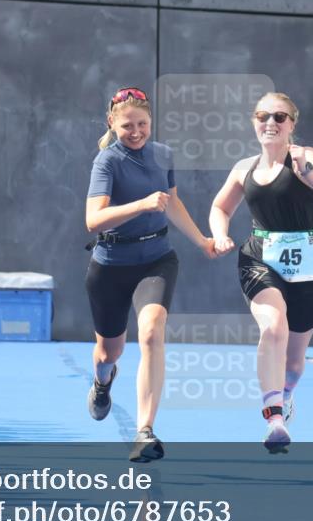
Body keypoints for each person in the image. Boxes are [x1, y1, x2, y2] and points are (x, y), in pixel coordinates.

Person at [85, 86, 216, 462]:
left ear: (151, 122)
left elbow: (171, 203)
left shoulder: (163, 155)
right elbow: (93, 220)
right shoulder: (107, 161)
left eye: (142, 124)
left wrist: (202, 241)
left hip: (156, 260)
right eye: (127, 125)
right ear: (112, 123)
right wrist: (141, 204)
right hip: (110, 265)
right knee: (108, 352)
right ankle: (102, 381)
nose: (136, 131)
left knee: (151, 332)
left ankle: (145, 430)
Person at [209, 92, 313, 453]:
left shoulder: (306, 157)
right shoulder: (244, 168)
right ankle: (274, 418)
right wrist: (220, 235)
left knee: (295, 363)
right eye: (263, 116)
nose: (270, 123)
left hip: (307, 263)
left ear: (291, 124)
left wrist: (308, 171)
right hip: (259, 257)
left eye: (279, 117)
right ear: (254, 122)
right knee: (272, 326)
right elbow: (220, 208)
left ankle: (285, 393)